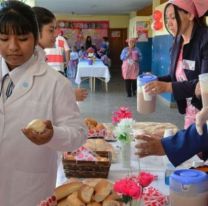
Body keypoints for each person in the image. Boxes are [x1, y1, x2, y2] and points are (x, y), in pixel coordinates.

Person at [0, 2, 87, 206]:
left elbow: (78, 133)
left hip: (29, 187)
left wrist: (54, 135)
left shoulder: (55, 83)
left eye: (22, 39)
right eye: (3, 39)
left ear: (35, 37)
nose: (12, 47)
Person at [144, 0, 208, 129]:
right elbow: (178, 75)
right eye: (167, 18)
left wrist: (167, 87)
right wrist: (156, 80)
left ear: (190, 15)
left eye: (173, 17)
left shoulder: (205, 40)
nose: (169, 23)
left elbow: (204, 85)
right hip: (191, 112)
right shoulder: (177, 42)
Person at [33, 6, 88, 102]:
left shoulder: (40, 55)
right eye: (51, 30)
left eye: (55, 29)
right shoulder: (31, 59)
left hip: (58, 67)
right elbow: (38, 97)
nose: (55, 34)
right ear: (36, 30)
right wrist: (70, 95)